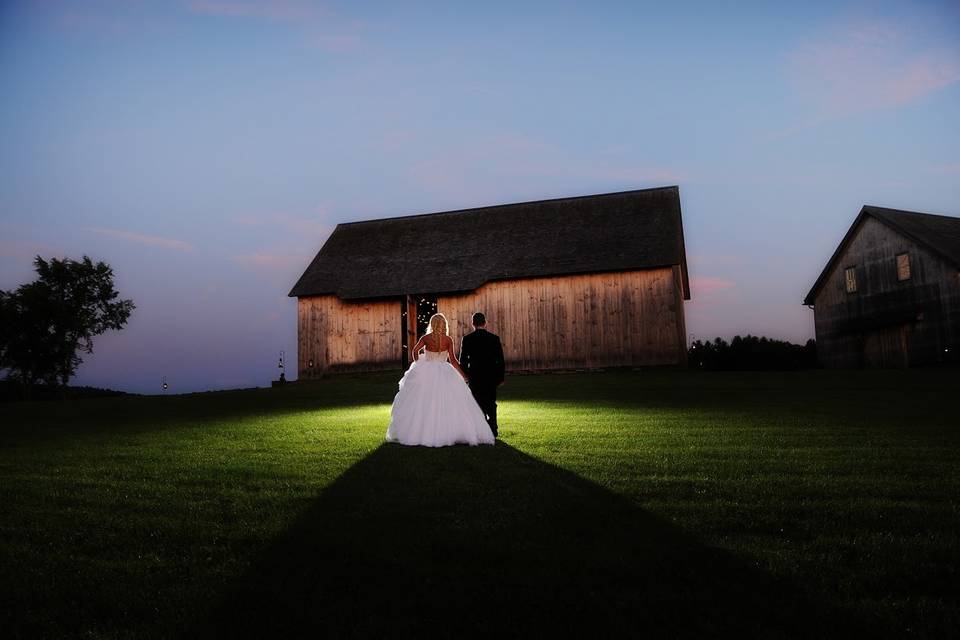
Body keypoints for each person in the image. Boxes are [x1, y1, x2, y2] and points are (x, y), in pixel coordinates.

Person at [386, 313, 494, 447]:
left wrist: (418, 362)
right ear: (443, 325)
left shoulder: (426, 338)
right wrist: (463, 374)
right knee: (451, 401)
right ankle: (451, 431)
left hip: (427, 371)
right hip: (445, 371)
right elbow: (453, 360)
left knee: (423, 401)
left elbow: (415, 350)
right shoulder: (448, 340)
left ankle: (422, 431)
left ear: (432, 324)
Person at [459, 312, 505, 437]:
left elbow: (463, 360)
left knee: (477, 402)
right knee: (491, 401)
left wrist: (466, 375)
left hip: (474, 376)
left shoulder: (467, 339)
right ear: (485, 323)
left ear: (473, 324)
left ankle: (480, 429)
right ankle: (493, 427)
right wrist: (501, 377)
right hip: (491, 376)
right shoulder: (494, 338)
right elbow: (500, 359)